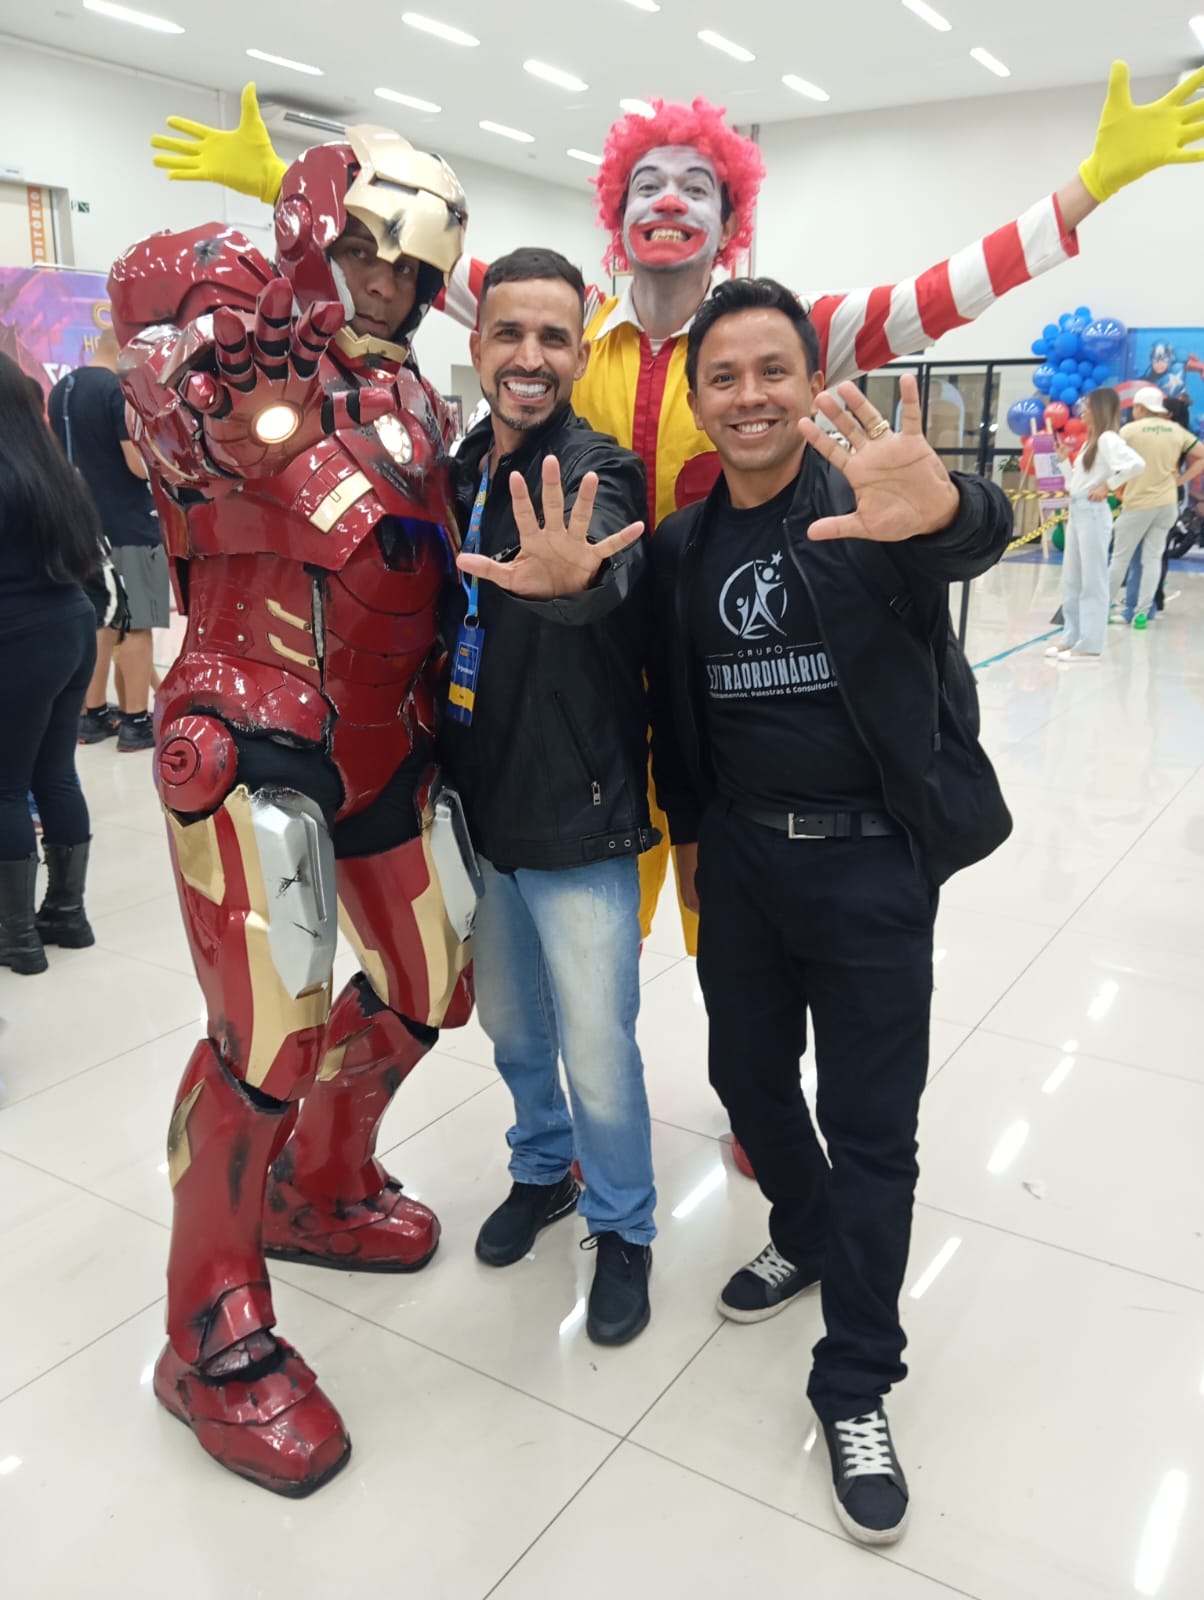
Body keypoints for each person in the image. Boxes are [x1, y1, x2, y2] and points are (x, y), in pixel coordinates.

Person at [145, 60, 1204, 959]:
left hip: (733, 674)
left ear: (730, 222)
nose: (669, 198)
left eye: (696, 185)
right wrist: (287, 186)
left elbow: (942, 292)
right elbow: (429, 264)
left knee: (729, 921)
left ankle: (751, 1075)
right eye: (646, 182)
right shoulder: (570, 330)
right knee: (594, 924)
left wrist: (1087, 189)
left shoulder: (772, 337)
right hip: (587, 679)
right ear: (615, 218)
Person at [108, 122, 478, 1496]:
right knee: (269, 1029)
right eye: (368, 247)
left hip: (390, 739)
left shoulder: (416, 396)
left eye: (413, 264)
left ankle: (318, 1180)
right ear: (322, 237)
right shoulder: (239, 333)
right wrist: (207, 385)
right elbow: (174, 394)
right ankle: (209, 1328)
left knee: (436, 982)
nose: (386, 280)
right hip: (252, 720)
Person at [646, 278, 1014, 1546]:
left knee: (871, 1130)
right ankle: (801, 1231)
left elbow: (973, 532)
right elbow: (677, 713)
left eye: (773, 371)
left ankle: (855, 1377)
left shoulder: (872, 505)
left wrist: (953, 508)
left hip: (870, 872)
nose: (750, 396)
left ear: (811, 385)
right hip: (746, 864)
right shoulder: (681, 546)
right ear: (698, 402)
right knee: (744, 1079)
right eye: (724, 377)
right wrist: (694, 843)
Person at [443, 248, 656, 1347]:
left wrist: (576, 579)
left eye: (554, 337)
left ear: (580, 352)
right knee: (514, 1026)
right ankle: (544, 1169)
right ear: (478, 343)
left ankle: (624, 1225)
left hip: (578, 811)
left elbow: (603, 567)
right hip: (481, 814)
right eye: (509, 333)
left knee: (598, 1046)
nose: (530, 357)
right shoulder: (461, 466)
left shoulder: (597, 469)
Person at [0, 353, 102, 973]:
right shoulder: (52, 470)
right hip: (71, 624)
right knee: (56, 774)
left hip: (17, 635)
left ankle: (15, 937)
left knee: (5, 786)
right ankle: (67, 913)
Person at [48, 329, 167, 752]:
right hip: (130, 523)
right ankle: (136, 721)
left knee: (102, 621)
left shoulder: (61, 389)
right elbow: (136, 465)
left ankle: (93, 714)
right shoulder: (119, 391)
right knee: (140, 623)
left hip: (84, 524)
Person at [1043, 388, 1145, 662]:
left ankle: (1089, 643)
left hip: (1093, 514)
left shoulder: (1109, 439)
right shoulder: (1091, 442)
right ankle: (1071, 636)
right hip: (1078, 509)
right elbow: (1074, 484)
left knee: (1093, 579)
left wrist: (1108, 485)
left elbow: (1137, 464)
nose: (1082, 411)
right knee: (1072, 579)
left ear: (1099, 409)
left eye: (1087, 406)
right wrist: (1064, 462)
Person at [1108, 386, 1204, 629]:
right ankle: (1142, 614)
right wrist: (1180, 481)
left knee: (1120, 558)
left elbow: (1110, 460)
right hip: (1167, 504)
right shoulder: (1176, 430)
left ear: (1140, 408)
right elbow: (1202, 455)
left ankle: (1102, 608)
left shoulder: (1129, 430)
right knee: (1152, 559)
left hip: (1138, 503)